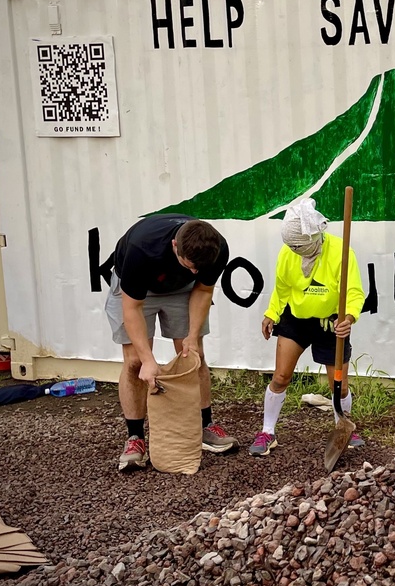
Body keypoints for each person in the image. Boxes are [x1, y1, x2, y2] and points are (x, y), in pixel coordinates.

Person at [105, 215, 238, 471]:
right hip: (138, 291)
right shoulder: (142, 248)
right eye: (190, 265)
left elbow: (202, 289)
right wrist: (148, 360)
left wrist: (191, 336)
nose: (196, 271)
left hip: (184, 290)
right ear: (175, 245)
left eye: (200, 267)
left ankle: (205, 426)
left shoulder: (216, 248)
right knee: (134, 363)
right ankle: (135, 438)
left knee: (193, 356)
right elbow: (132, 308)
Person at [249, 198, 366, 456]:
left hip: (330, 323)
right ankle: (268, 431)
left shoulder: (342, 252)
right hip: (296, 319)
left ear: (314, 238)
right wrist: (272, 313)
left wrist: (348, 318)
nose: (294, 250)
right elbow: (283, 288)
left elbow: (355, 293)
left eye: (298, 246)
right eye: (291, 246)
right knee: (280, 377)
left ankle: (343, 425)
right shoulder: (288, 253)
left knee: (340, 386)